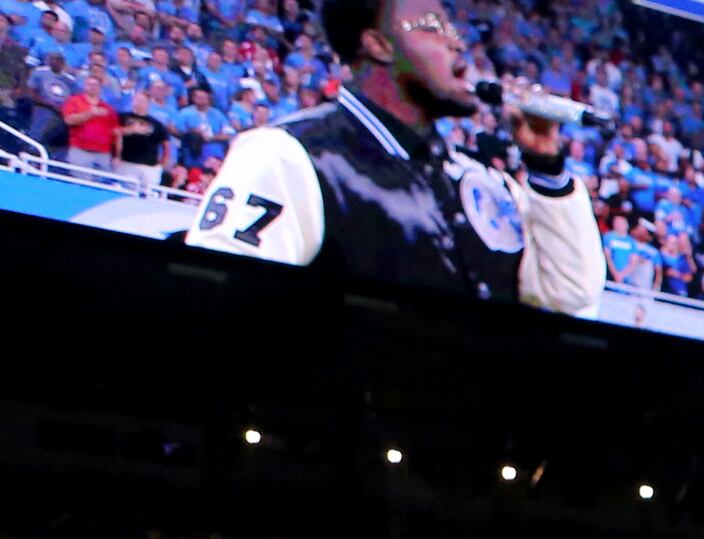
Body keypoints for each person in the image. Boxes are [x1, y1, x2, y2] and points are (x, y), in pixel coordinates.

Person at [180, 0, 599, 314]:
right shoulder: (289, 153)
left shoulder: (484, 181)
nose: (456, 41)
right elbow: (219, 302)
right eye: (431, 26)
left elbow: (569, 293)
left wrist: (546, 166)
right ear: (378, 43)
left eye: (450, 26)